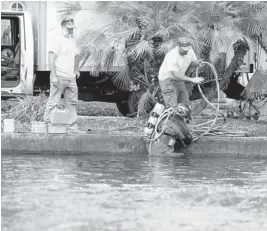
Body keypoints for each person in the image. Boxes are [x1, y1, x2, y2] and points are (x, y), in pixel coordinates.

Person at [43, 16, 83, 133]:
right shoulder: (56, 38)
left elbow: (77, 54)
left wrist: (76, 70)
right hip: (59, 76)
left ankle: (71, 127)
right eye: (69, 28)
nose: (71, 30)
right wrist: (54, 75)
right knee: (53, 101)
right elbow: (51, 58)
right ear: (62, 26)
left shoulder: (73, 39)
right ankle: (47, 125)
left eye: (72, 28)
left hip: (71, 77)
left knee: (71, 103)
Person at [158, 37, 205, 108]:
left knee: (185, 104)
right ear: (179, 46)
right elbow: (175, 74)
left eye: (188, 49)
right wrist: (192, 79)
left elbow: (192, 63)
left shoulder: (190, 50)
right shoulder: (172, 55)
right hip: (167, 80)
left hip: (179, 79)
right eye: (184, 50)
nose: (186, 51)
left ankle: (184, 118)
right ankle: (171, 117)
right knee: (172, 106)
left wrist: (197, 64)